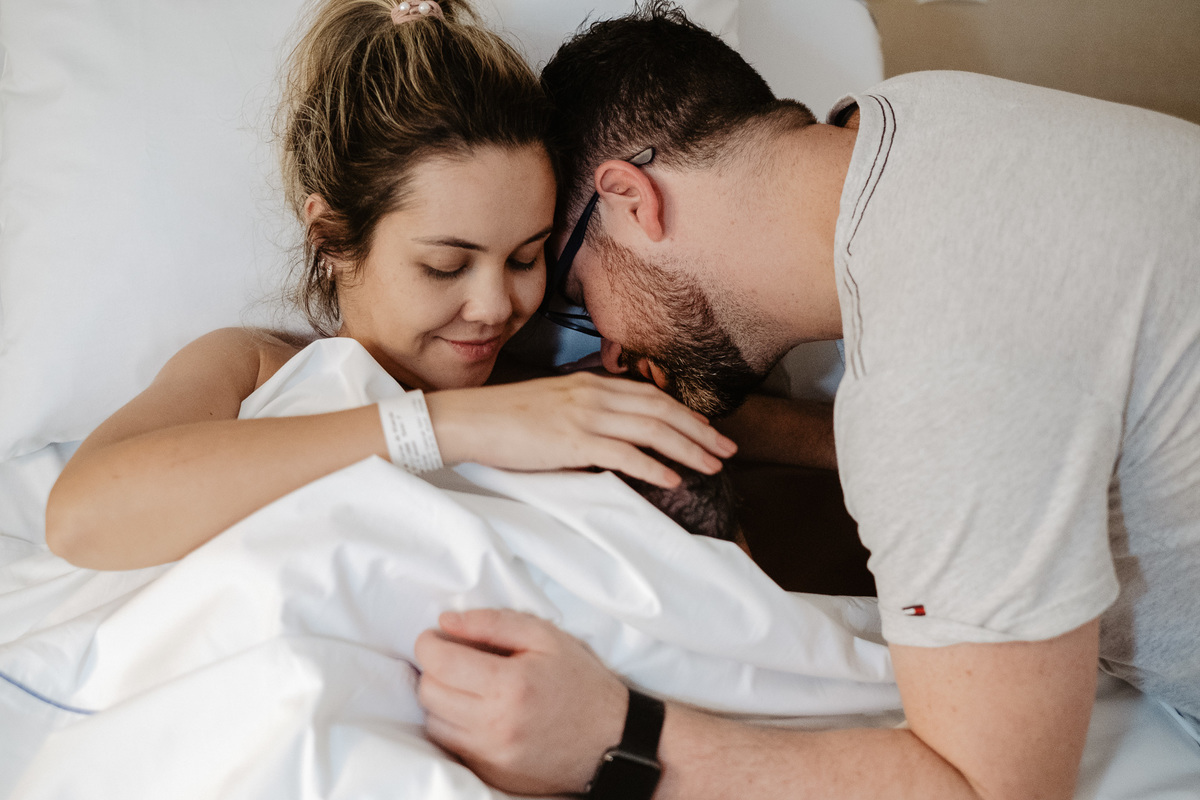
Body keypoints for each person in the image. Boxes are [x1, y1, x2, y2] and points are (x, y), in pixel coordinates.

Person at [414, 3, 1200, 799]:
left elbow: (989, 789)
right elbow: (1014, 423)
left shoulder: (938, 353)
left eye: (580, 297)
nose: (611, 348)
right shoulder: (923, 117)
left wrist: (613, 738)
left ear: (628, 197)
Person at [44, 0, 737, 572]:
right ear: (331, 240)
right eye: (446, 266)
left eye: (526, 259)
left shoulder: (553, 391)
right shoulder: (254, 367)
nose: (497, 307)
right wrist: (442, 427)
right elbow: (82, 518)